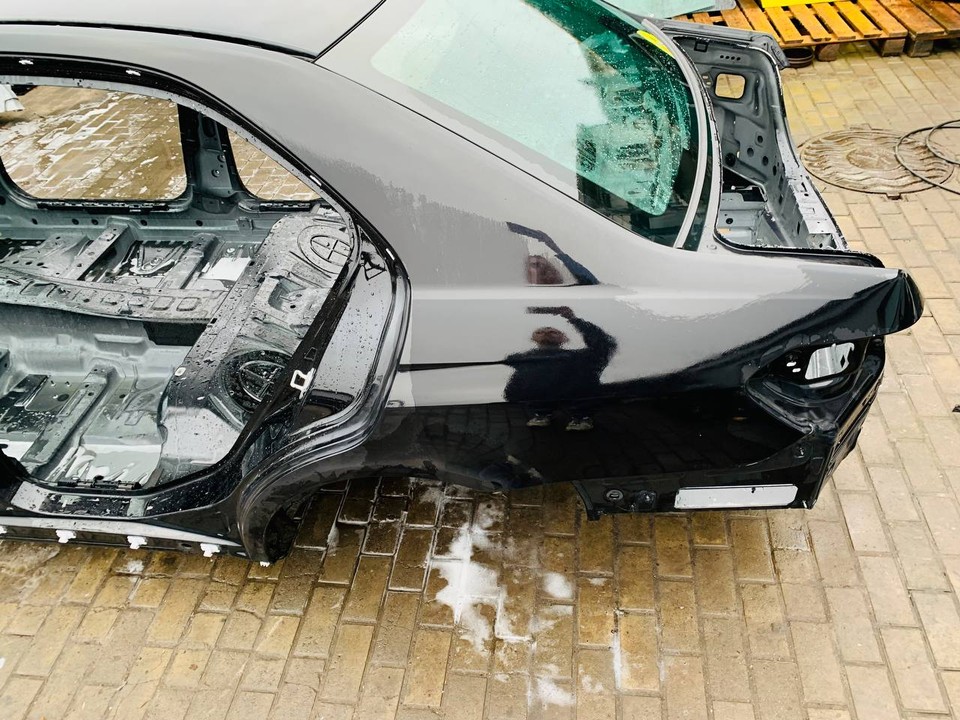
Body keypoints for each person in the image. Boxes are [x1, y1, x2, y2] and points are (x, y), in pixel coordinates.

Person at [503, 306, 616, 431]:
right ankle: (541, 412)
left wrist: (574, 319)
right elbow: (513, 391)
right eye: (539, 332)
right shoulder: (523, 359)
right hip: (541, 396)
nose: (546, 331)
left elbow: (603, 344)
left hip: (574, 395)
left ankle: (581, 416)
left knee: (584, 372)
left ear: (564, 338)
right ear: (533, 338)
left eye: (553, 332)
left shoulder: (578, 357)